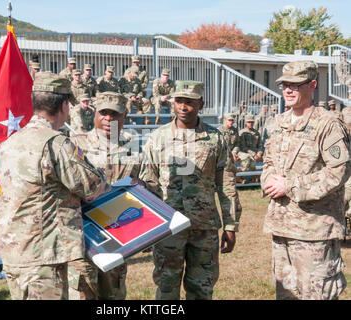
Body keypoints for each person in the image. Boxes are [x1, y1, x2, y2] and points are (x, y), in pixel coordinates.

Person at [0, 72, 109, 300]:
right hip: (43, 256)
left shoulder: (9, 143)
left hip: (15, 251)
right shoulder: (55, 144)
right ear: (64, 105)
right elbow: (94, 187)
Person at [139, 80, 240, 300]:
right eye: (180, 101)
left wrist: (231, 225)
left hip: (203, 228)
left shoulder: (215, 139)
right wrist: (148, 229)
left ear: (201, 104)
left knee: (202, 289)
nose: (184, 107)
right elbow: (148, 182)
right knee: (167, 288)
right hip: (168, 227)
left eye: (190, 102)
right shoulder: (158, 138)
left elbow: (227, 184)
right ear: (173, 103)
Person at [261, 61, 351, 300]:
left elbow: (339, 171)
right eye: (285, 85)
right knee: (286, 294)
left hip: (314, 231)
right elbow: (269, 161)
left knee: (315, 295)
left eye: (295, 85)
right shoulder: (279, 122)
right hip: (282, 227)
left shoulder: (328, 123)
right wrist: (268, 179)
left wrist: (289, 185)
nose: (288, 90)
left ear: (312, 85)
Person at [70, 91, 141, 300]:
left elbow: (147, 186)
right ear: (95, 114)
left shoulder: (132, 148)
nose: (109, 118)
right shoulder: (74, 144)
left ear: (124, 116)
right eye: (104, 113)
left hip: (117, 237)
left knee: (114, 296)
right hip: (81, 240)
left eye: (115, 114)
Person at [237, 114, 264, 182]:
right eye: (249, 122)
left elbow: (260, 145)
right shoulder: (242, 133)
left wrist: (259, 153)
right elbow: (243, 147)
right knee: (249, 159)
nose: (250, 123)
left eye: (252, 122)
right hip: (245, 153)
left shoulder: (257, 133)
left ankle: (257, 177)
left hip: (256, 153)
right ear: (245, 123)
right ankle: (239, 178)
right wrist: (254, 154)